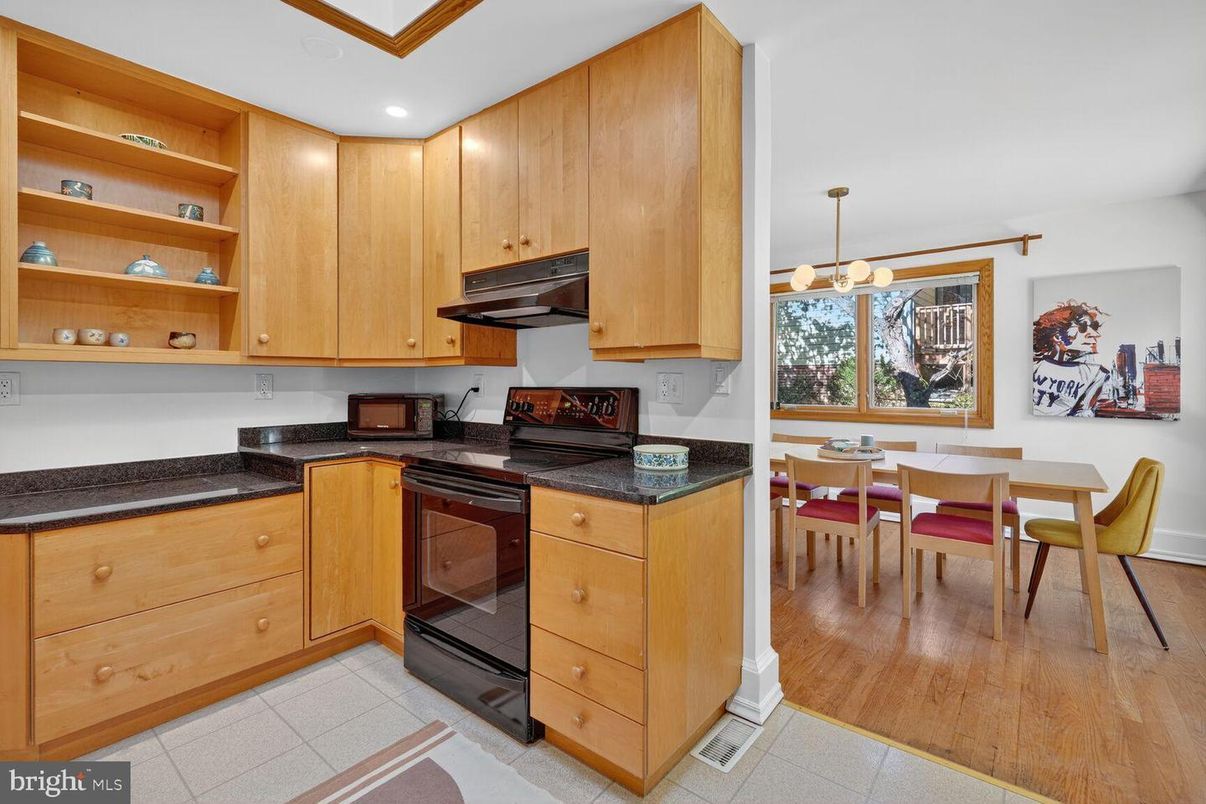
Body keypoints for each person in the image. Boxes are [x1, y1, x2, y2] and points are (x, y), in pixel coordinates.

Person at [1031, 300, 1111, 416]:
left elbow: (1083, 414)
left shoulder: (1096, 374)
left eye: (1094, 327)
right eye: (1082, 327)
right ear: (1058, 337)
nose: (1095, 334)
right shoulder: (1034, 367)